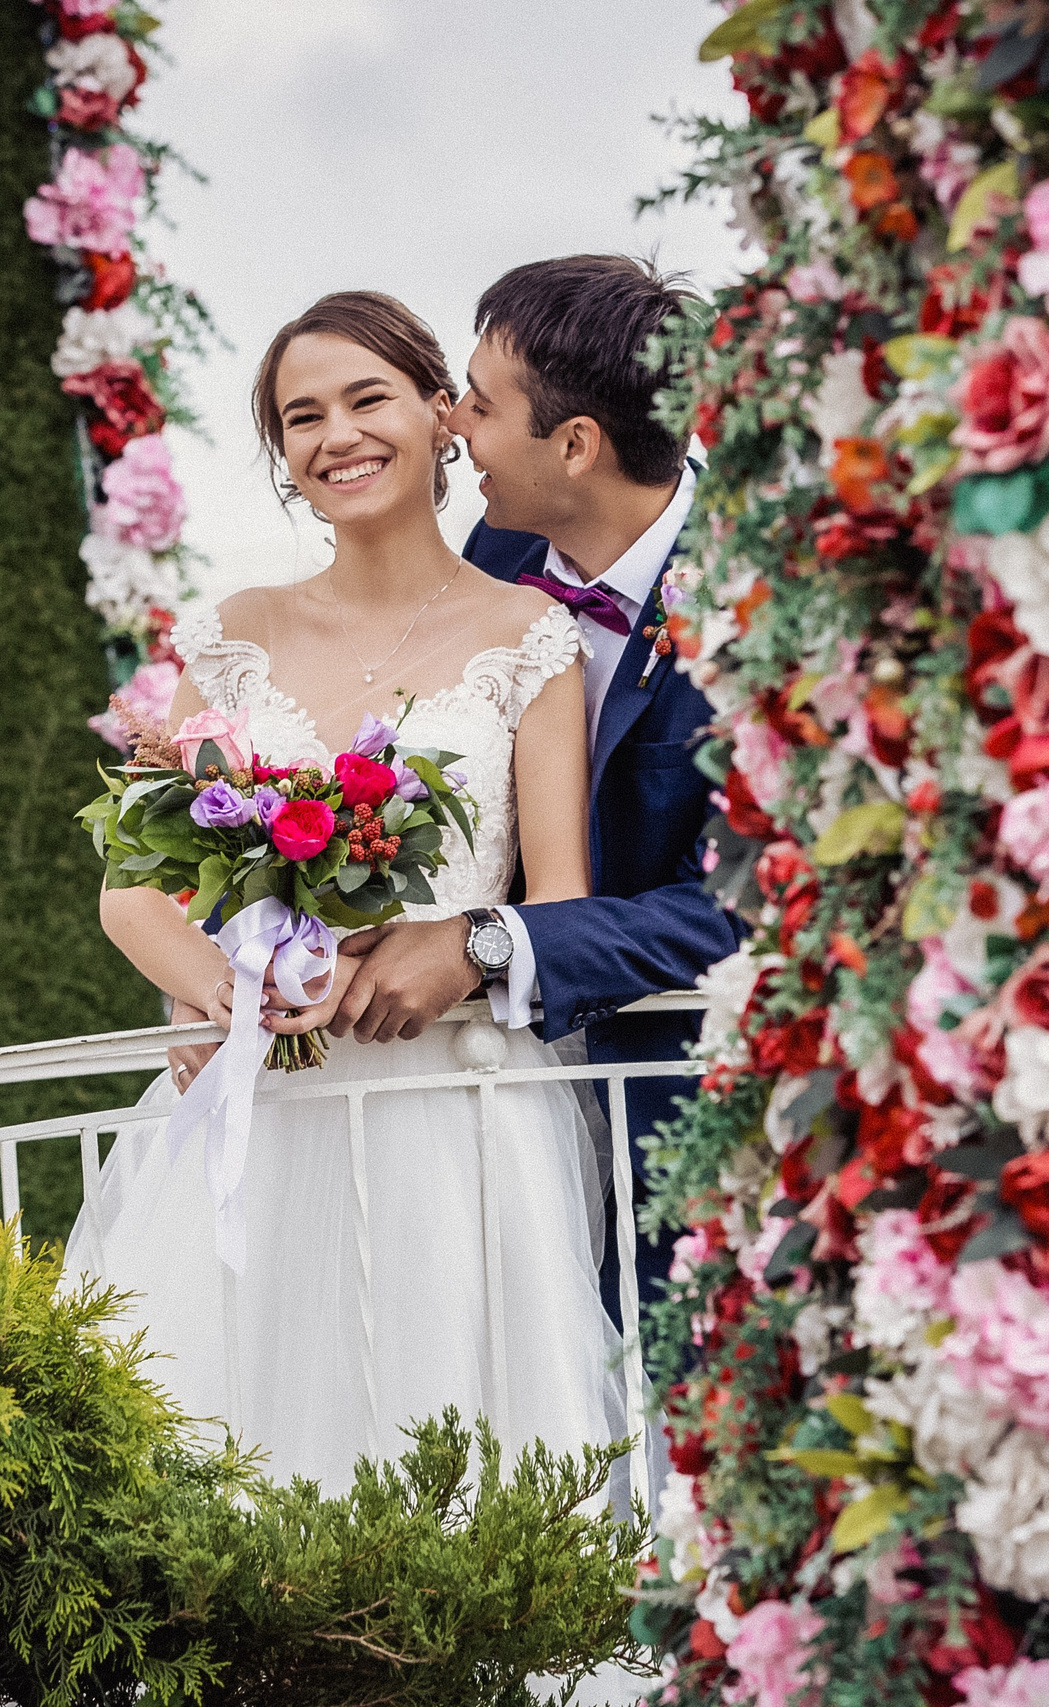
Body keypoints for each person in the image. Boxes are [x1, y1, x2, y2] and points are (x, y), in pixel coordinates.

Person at [69, 291, 622, 1492]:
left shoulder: (533, 637)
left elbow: (567, 906)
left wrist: (451, 949)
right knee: (243, 1455)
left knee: (467, 1446)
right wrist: (231, 993)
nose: (336, 435)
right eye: (299, 417)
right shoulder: (233, 635)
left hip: (459, 1111)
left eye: (366, 398)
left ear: (438, 415)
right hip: (260, 1107)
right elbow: (135, 894)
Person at [329, 255, 740, 1337]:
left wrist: (490, 945)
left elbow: (744, 911)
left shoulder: (765, 607)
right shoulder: (501, 546)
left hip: (685, 1110)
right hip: (472, 1085)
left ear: (575, 445)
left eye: (479, 399)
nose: (451, 421)